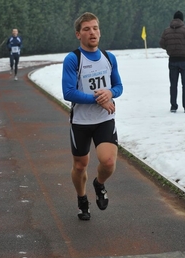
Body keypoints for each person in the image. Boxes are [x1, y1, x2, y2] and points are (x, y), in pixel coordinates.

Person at [61, 12, 123, 221]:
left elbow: (118, 86)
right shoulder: (73, 59)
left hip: (104, 119)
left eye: (95, 28)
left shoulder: (108, 57)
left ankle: (98, 184)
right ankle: (82, 199)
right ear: (78, 34)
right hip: (81, 121)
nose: (92, 32)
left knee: (108, 162)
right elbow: (68, 93)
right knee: (80, 165)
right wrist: (99, 99)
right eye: (86, 29)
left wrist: (111, 93)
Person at [159, 11, 185, 113]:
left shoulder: (166, 31)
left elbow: (162, 44)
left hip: (172, 60)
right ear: (182, 19)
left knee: (173, 84)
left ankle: (173, 106)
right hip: (184, 60)